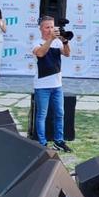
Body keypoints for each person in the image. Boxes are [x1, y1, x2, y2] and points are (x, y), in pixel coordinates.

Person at [32, 15, 72, 152]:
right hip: (42, 86)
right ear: (41, 28)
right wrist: (50, 39)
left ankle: (58, 141)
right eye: (47, 27)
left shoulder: (57, 42)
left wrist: (65, 41)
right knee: (41, 115)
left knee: (60, 113)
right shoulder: (36, 42)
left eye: (52, 26)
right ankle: (42, 143)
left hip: (57, 85)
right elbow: (41, 54)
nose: (50, 29)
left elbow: (67, 54)